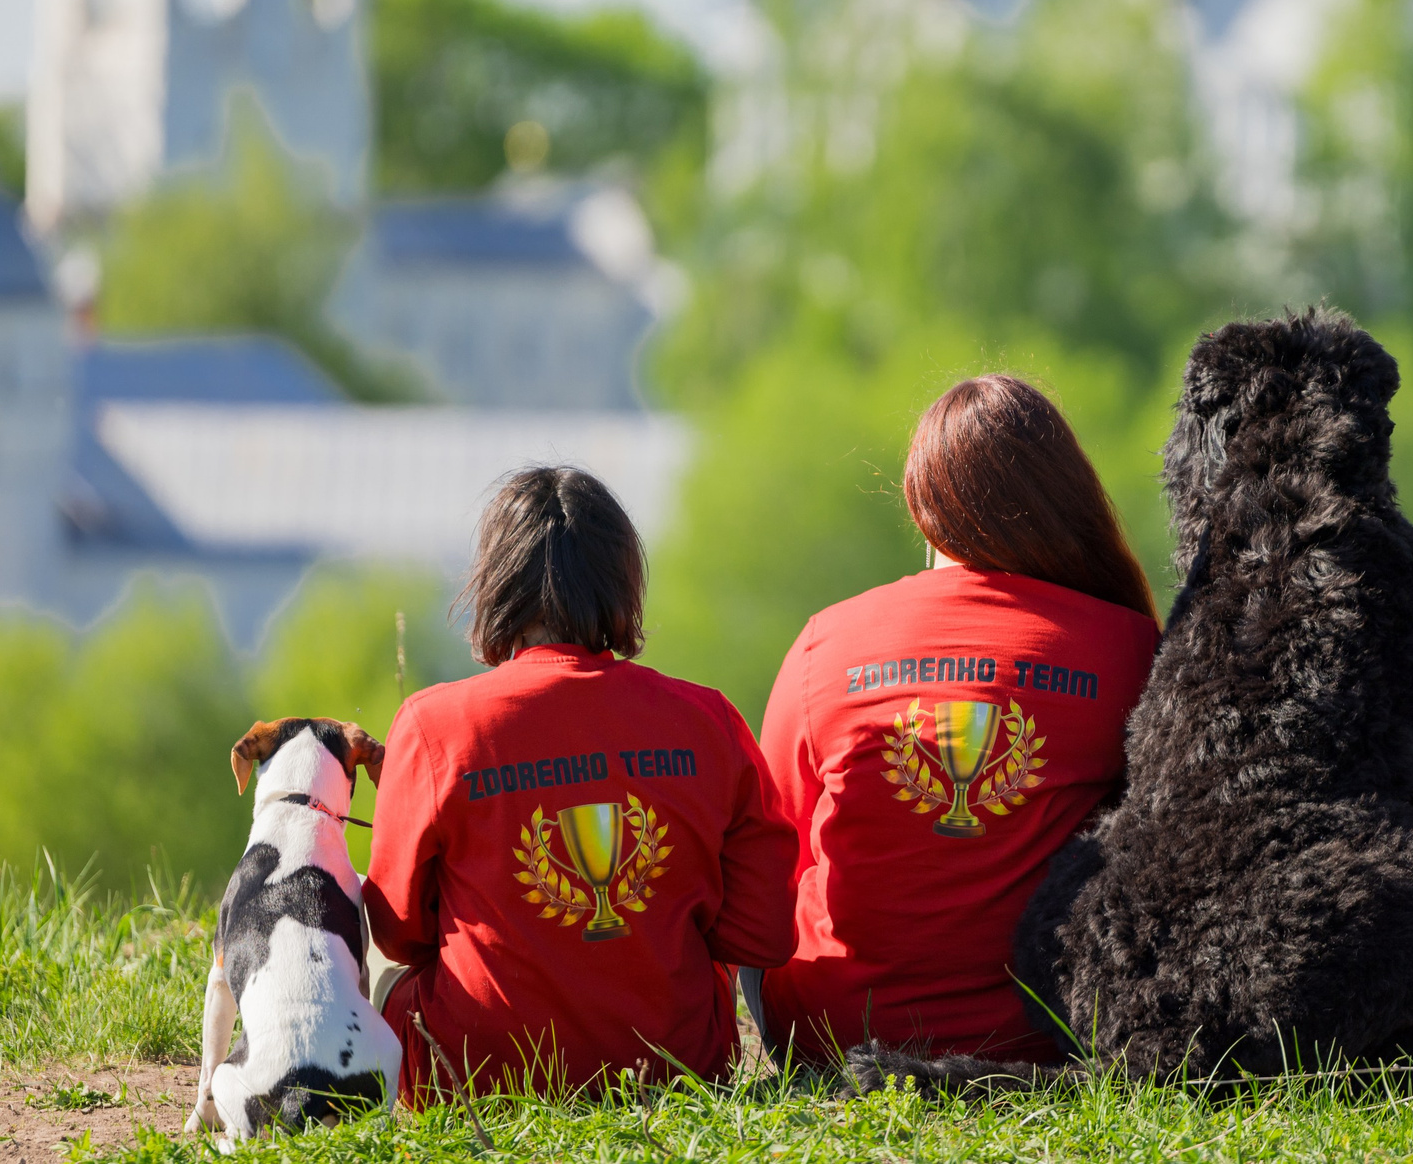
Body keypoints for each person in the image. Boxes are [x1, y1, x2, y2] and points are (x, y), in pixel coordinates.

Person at [755, 375, 1161, 1063]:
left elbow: (773, 854)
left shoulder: (825, 642)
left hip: (835, 1035)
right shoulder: (1132, 648)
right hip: (1046, 1039)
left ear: (922, 506)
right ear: (1069, 501)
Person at [364, 466, 796, 1096]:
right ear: (622, 581)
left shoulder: (433, 726)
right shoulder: (709, 720)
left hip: (475, 1081)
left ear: (497, 583)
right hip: (679, 1074)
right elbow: (764, 932)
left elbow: (398, 933)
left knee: (367, 951)